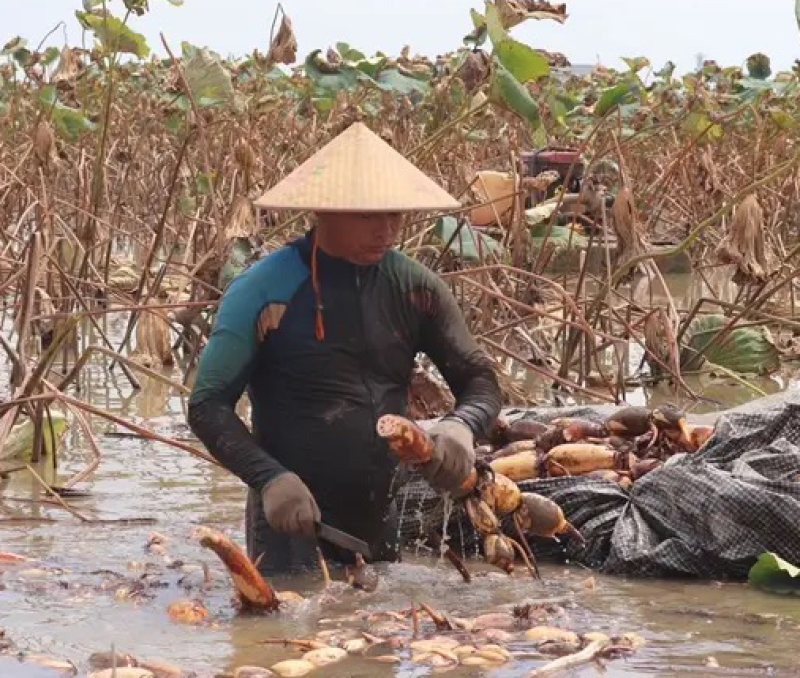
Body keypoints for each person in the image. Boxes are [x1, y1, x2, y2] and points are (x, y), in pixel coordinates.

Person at [187, 122, 502, 576]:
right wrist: (268, 477)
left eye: (395, 216)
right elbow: (206, 405)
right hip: (290, 519)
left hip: (381, 515)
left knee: (386, 636)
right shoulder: (262, 290)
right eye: (368, 217)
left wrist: (462, 425)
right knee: (283, 638)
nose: (387, 231)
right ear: (324, 212)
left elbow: (480, 381)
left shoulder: (416, 289)